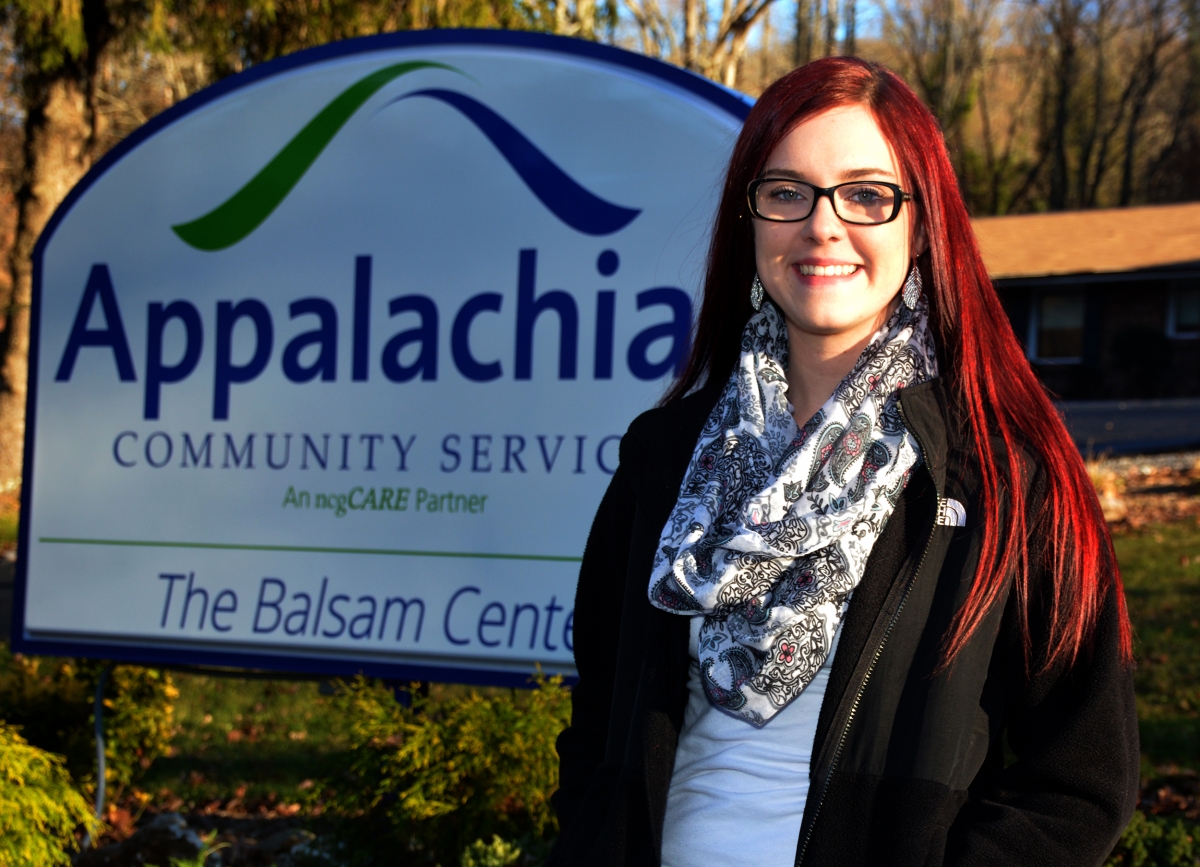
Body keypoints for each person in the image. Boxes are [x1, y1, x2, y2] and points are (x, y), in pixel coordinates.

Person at [547, 56, 1139, 867]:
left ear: (922, 225)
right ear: (749, 218)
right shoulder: (663, 459)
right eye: (787, 191)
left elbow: (1080, 780)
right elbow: (597, 724)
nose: (822, 225)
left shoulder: (1002, 478)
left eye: (866, 194)